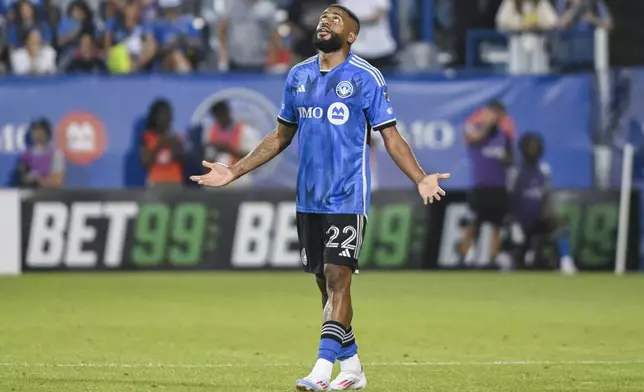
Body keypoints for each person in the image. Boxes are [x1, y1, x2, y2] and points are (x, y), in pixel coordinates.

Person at [189, 5, 449, 390]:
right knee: (325, 287)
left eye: (336, 20)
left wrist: (419, 177)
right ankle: (353, 369)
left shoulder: (365, 77)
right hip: (309, 198)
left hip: (347, 196)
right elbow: (279, 136)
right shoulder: (298, 76)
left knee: (337, 278)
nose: (326, 22)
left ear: (352, 36)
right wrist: (233, 171)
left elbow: (390, 137)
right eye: (323, 17)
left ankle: (321, 372)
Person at [508, 132, 578, 274]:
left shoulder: (544, 170)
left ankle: (566, 262)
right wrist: (513, 222)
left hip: (538, 217)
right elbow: (510, 198)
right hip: (520, 221)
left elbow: (547, 195)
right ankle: (507, 261)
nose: (533, 151)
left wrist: (550, 213)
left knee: (560, 226)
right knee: (519, 259)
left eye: (536, 147)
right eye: (530, 147)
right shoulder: (514, 171)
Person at [459, 100, 515, 266]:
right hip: (480, 187)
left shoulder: (504, 137)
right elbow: (473, 138)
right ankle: (464, 257)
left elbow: (511, 160)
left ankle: (493, 258)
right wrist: (485, 124)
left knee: (497, 226)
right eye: (493, 113)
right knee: (472, 224)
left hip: (498, 187)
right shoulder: (474, 130)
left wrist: (504, 157)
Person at [203, 100, 260, 188]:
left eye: (222, 114)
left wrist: (230, 150)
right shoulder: (210, 132)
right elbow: (206, 158)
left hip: (238, 181)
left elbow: (254, 157)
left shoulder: (244, 131)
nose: (220, 118)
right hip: (215, 182)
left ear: (227, 112)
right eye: (216, 116)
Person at [140, 99, 185, 190]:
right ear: (156, 117)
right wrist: (159, 145)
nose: (167, 119)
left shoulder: (176, 137)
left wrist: (173, 144)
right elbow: (145, 162)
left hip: (175, 182)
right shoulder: (148, 137)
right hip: (156, 182)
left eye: (169, 115)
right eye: (164, 115)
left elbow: (183, 161)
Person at [18, 118, 65, 188]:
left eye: (40, 130)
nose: (37, 133)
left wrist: (39, 179)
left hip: (48, 194)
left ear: (47, 132)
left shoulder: (55, 154)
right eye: (35, 130)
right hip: (29, 193)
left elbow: (57, 181)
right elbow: (22, 178)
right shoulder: (26, 155)